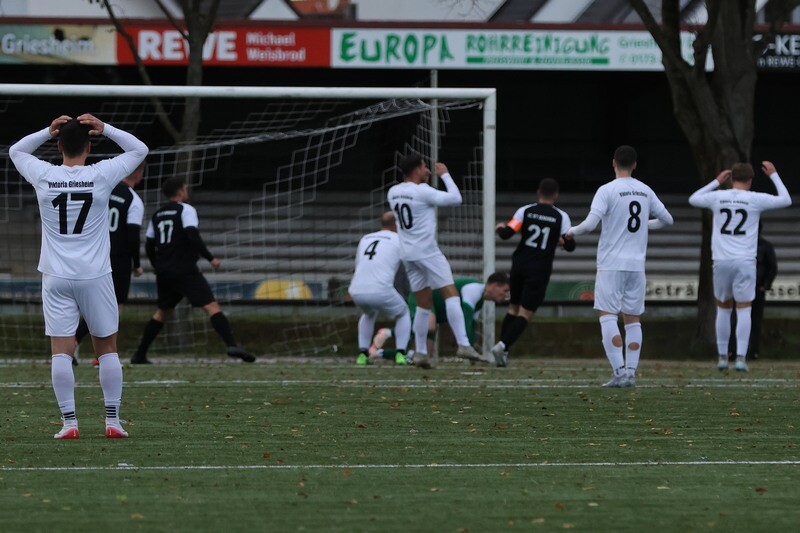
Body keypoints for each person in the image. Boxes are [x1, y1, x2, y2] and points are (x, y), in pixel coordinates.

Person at [9, 114, 148, 439]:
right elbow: (139, 149)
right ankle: (112, 421)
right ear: (89, 146)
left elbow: (16, 151)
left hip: (55, 275)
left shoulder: (44, 174)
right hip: (95, 275)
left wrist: (46, 131)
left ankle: (69, 424)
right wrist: (107, 128)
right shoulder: (100, 174)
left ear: (58, 146)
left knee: (61, 350)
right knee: (107, 348)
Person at [566, 145, 673, 387]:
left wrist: (570, 231)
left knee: (608, 315)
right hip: (637, 265)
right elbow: (668, 220)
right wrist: (644, 224)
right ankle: (631, 373)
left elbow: (589, 225)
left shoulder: (607, 190)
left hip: (611, 264)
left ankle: (619, 372)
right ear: (635, 165)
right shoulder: (645, 190)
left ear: (613, 162)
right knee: (633, 318)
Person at [131, 176, 255, 364]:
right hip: (184, 269)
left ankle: (140, 354)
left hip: (164, 271)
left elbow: (149, 244)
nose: (187, 190)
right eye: (185, 188)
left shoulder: (157, 214)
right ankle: (231, 344)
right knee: (211, 306)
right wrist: (210, 258)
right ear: (180, 190)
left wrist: (158, 265)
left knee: (162, 312)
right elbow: (192, 235)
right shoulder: (186, 209)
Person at [689, 162, 790, 371]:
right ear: (750, 180)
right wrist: (773, 175)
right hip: (745, 261)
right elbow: (785, 199)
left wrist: (716, 181)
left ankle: (722, 356)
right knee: (744, 308)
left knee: (723, 308)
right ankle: (741, 358)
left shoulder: (718, 197)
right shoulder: (755, 199)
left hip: (721, 260)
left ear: (731, 179)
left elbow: (693, 198)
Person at [387, 155, 486, 368]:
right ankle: (463, 344)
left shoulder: (393, 192)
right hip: (427, 252)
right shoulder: (422, 191)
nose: (429, 171)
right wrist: (445, 175)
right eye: (425, 167)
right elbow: (456, 198)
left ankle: (421, 353)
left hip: (408, 254)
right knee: (452, 295)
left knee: (423, 304)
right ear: (416, 170)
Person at [492, 178, 576, 367]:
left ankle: (503, 353)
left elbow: (507, 234)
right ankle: (503, 346)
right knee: (525, 313)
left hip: (519, 264)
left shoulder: (525, 211)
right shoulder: (561, 217)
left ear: (539, 192)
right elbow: (570, 245)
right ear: (556, 195)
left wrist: (500, 228)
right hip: (539, 269)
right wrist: (560, 241)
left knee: (513, 308)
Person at [73, 161, 146, 367]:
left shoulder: (102, 191)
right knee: (113, 307)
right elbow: (133, 236)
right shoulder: (133, 200)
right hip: (117, 259)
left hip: (93, 255)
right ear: (139, 174)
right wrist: (137, 264)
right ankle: (94, 350)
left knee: (92, 303)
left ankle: (87, 349)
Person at [373, 274, 510, 366]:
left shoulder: (480, 301)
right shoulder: (474, 289)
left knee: (422, 355)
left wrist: (472, 350)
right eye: (505, 290)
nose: (506, 295)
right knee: (430, 326)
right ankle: (388, 332)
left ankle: (377, 353)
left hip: (435, 311)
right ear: (494, 285)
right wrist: (468, 347)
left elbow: (471, 326)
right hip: (424, 298)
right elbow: (466, 321)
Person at [347, 211, 411, 366]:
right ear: (397, 225)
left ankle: (363, 355)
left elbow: (359, 264)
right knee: (403, 313)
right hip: (381, 290)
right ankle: (401, 354)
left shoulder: (365, 238)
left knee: (368, 313)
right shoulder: (399, 240)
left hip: (356, 289)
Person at [727, 224, 778, 360]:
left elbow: (772, 268)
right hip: (740, 288)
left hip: (757, 289)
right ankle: (732, 351)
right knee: (735, 320)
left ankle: (753, 352)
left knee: (755, 321)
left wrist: (765, 286)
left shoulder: (765, 246)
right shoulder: (739, 245)